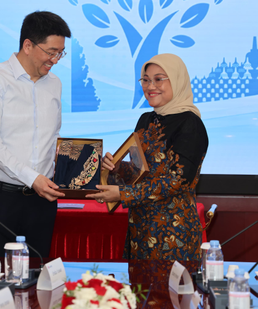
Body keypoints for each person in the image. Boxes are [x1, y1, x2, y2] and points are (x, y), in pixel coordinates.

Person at [86, 53, 208, 261]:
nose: (150, 86)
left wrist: (123, 194)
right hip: (141, 229)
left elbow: (178, 181)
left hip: (173, 233)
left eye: (159, 79)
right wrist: (116, 168)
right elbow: (140, 171)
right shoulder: (146, 119)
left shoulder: (190, 123)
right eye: (145, 80)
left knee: (171, 293)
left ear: (177, 80)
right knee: (140, 292)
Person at [0, 11, 71, 257]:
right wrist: (32, 178)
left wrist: (83, 168)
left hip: (41, 203)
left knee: (39, 281)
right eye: (51, 52)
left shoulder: (54, 83)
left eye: (60, 53)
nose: (56, 59)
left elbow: (53, 139)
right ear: (28, 45)